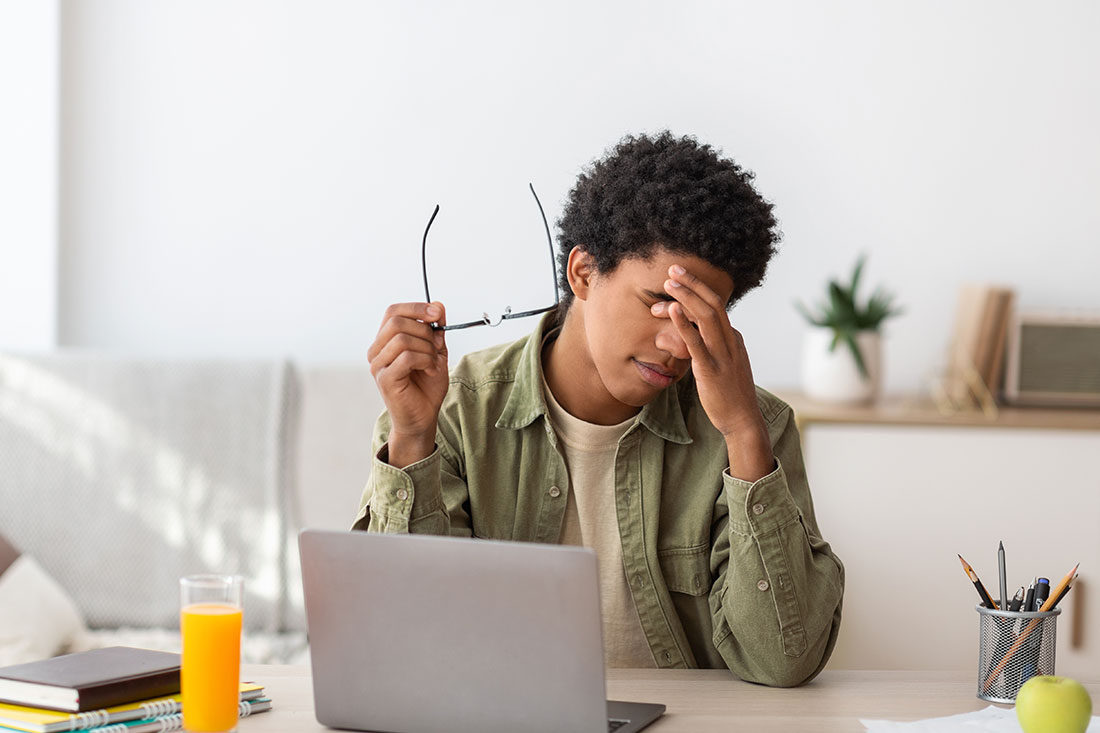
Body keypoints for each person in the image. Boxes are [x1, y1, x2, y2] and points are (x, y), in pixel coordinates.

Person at [353, 131, 844, 687]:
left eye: (702, 316)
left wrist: (744, 435)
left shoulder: (753, 426)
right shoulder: (452, 412)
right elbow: (401, 646)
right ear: (582, 272)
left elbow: (784, 663)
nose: (680, 344)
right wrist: (413, 435)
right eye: (659, 303)